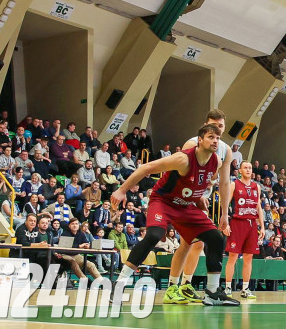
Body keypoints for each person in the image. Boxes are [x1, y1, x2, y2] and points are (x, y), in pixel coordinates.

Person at [110, 122, 237, 306]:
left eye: (217, 138)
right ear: (199, 141)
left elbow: (197, 181)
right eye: (211, 137)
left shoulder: (216, 161)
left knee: (217, 238)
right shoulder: (182, 159)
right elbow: (145, 168)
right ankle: (119, 285)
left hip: (186, 206)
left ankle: (212, 292)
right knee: (153, 235)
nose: (215, 141)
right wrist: (122, 190)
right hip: (164, 201)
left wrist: (198, 197)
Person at [172, 111, 235, 303]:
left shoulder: (225, 150)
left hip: (201, 199)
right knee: (188, 242)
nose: (217, 128)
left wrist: (225, 213)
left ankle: (183, 285)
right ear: (205, 126)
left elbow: (224, 183)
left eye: (221, 126)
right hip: (183, 199)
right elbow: (179, 176)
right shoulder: (192, 144)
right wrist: (194, 196)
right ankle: (175, 286)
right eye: (213, 125)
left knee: (195, 243)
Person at [224, 161, 264, 299]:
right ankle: (228, 287)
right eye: (245, 168)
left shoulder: (256, 187)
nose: (248, 170)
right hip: (237, 223)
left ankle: (245, 288)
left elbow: (258, 207)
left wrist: (262, 226)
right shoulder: (234, 184)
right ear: (240, 170)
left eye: (250, 168)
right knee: (233, 256)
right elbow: (226, 203)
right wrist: (225, 223)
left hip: (252, 224)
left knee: (249, 257)